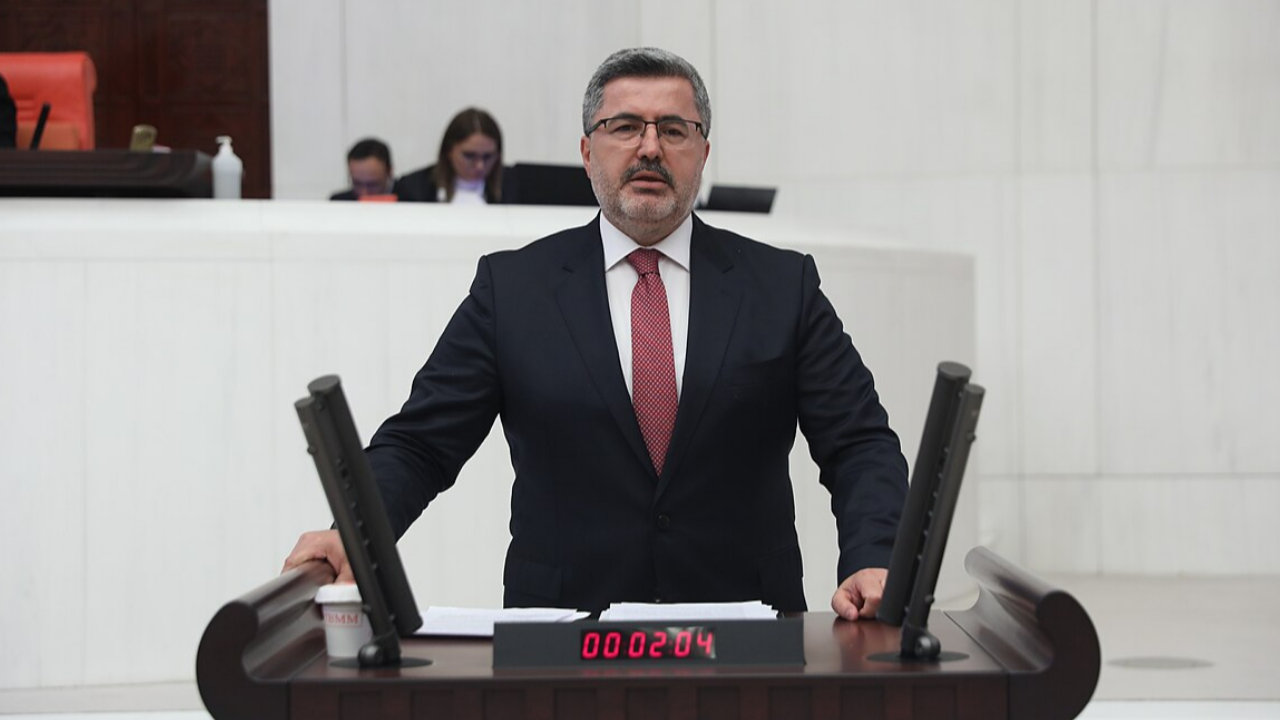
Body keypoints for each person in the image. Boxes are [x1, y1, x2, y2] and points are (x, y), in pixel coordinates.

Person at [285, 48, 908, 621]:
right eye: (624, 127)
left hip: (746, 635)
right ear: (587, 152)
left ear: (703, 153)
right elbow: (422, 443)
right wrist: (354, 533)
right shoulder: (513, 290)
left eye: (674, 130)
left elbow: (858, 442)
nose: (649, 148)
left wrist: (875, 558)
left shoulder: (781, 286)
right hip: (563, 639)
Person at [396, 108, 508, 204]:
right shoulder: (414, 189)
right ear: (448, 151)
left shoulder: (512, 187)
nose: (480, 166)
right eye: (469, 156)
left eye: (488, 157)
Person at [329, 137, 396, 200]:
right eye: (357, 184)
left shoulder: (402, 198)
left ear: (389, 171)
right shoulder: (339, 202)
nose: (364, 193)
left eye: (372, 185)